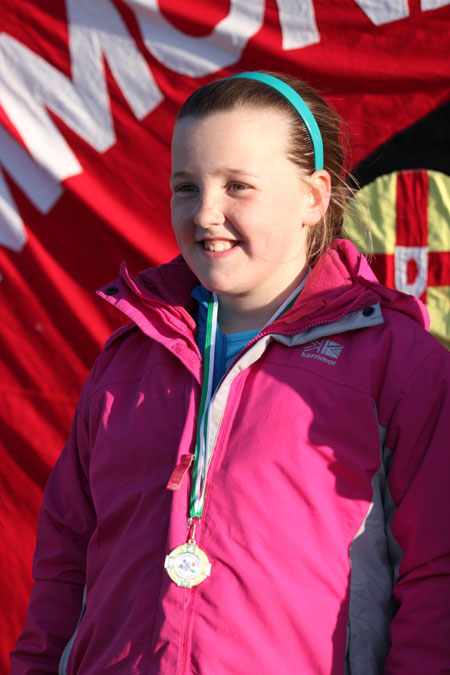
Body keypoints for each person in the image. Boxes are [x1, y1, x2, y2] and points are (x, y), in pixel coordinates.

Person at [11, 71, 450, 675]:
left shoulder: (398, 361)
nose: (206, 213)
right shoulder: (128, 360)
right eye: (185, 187)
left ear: (313, 197)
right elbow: (64, 561)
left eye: (237, 186)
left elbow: (437, 573)